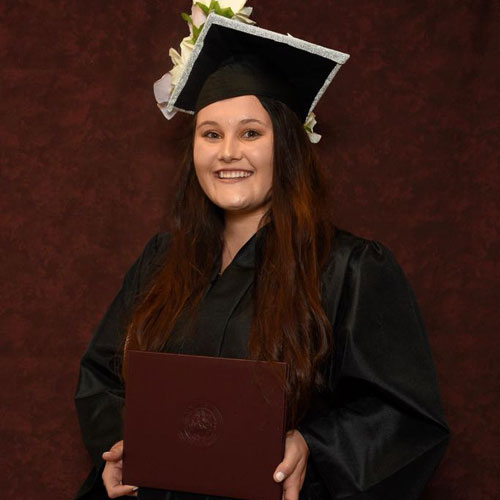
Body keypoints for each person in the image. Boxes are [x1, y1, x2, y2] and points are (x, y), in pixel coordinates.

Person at [74, 5, 450, 500]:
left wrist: (313, 447)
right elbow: (103, 376)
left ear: (287, 147)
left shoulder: (349, 268)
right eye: (211, 135)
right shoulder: (163, 260)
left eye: (250, 133)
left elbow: (402, 419)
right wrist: (123, 446)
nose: (228, 152)